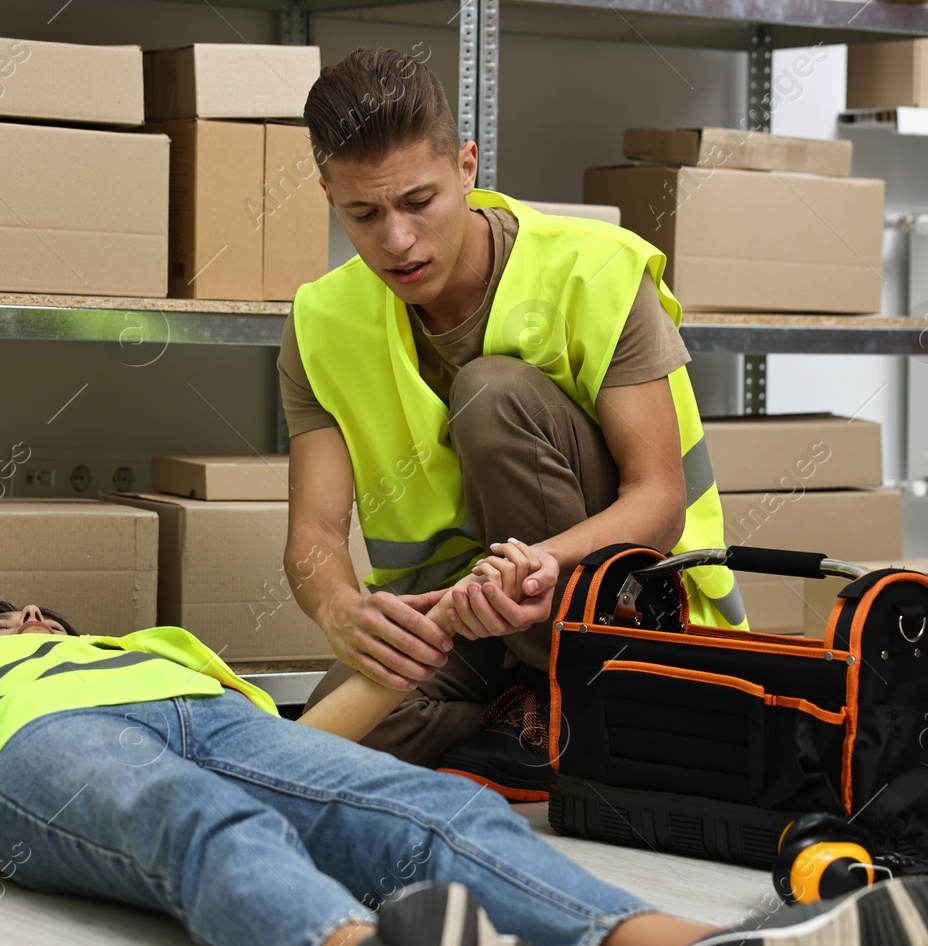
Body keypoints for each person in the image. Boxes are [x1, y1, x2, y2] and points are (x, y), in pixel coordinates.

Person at [0, 577, 928, 946]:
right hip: (44, 763)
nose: (29, 620)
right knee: (202, 823)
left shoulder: (161, 650)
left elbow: (317, 754)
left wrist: (419, 650)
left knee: (429, 805)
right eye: (5, 620)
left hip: (209, 717)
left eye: (41, 610)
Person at [280, 47, 749, 768]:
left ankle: (552, 680)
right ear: (327, 197)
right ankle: (524, 720)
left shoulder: (594, 270)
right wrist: (340, 609)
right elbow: (313, 532)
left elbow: (659, 500)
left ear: (466, 167)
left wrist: (536, 566)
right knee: (334, 738)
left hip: (619, 606)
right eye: (362, 213)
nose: (396, 240)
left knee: (492, 393)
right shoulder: (322, 321)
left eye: (418, 202)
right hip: (458, 618)